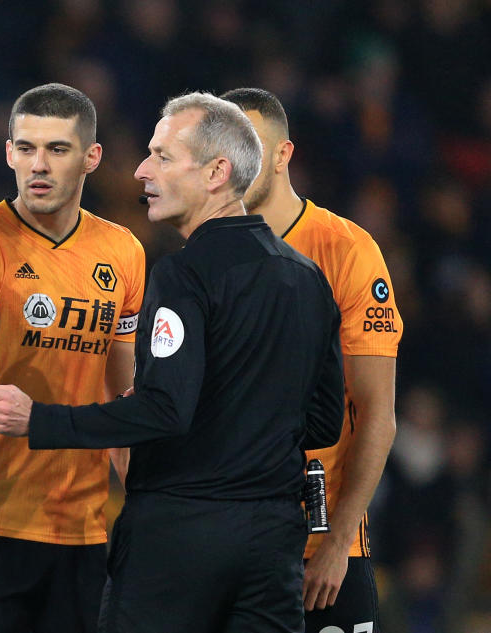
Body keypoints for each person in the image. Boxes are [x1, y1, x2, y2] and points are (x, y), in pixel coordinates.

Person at [0, 92, 345, 633]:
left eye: (163, 157)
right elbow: (326, 421)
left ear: (217, 172)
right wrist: (245, 433)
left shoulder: (182, 275)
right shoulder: (309, 279)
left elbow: (164, 409)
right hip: (274, 542)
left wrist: (41, 419)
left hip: (178, 540)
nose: (142, 170)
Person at [0, 83, 146, 633]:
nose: (39, 165)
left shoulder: (123, 251)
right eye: (26, 148)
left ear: (91, 158)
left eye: (58, 149)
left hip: (83, 524)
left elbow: (123, 391)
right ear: (7, 153)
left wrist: (141, 500)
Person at [222, 87, 402, 633]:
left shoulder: (346, 250)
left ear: (283, 155)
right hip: (230, 544)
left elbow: (377, 414)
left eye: (253, 147)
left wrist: (338, 545)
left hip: (322, 547)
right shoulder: (206, 256)